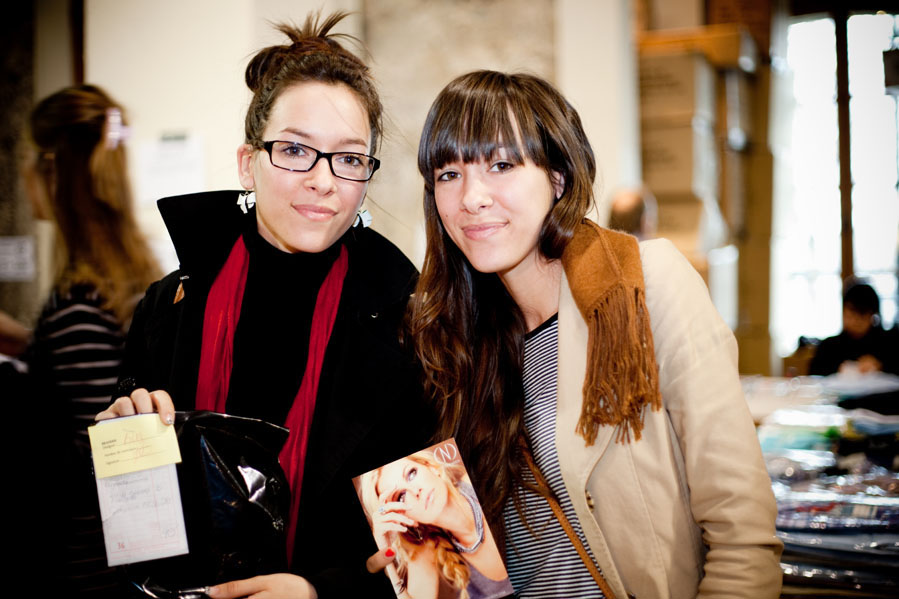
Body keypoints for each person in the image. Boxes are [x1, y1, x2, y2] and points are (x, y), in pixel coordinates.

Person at [407, 71, 783, 599]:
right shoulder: (454, 339)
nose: (472, 197)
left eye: (501, 165)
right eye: (449, 174)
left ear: (558, 178)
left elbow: (742, 534)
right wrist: (422, 557)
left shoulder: (645, 287)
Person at [96, 12, 431, 599]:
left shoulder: (411, 327)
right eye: (295, 150)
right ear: (248, 163)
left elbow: (432, 556)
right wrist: (128, 453)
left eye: (349, 158)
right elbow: (136, 540)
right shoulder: (169, 309)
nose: (324, 180)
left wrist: (320, 592)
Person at [21, 84, 162, 597]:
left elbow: (96, 455)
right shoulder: (122, 280)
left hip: (86, 568)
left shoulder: (78, 306)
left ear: (52, 171)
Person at [359, 445, 512, 599]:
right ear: (404, 518)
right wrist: (386, 556)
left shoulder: (482, 481)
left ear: (432, 467)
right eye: (401, 497)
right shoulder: (427, 547)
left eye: (411, 474)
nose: (415, 491)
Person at [809, 281, 899, 376]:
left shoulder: (889, 343)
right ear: (843, 311)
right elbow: (814, 376)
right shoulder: (829, 346)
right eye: (852, 312)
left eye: (862, 313)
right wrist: (840, 369)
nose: (856, 320)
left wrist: (880, 366)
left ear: (873, 314)